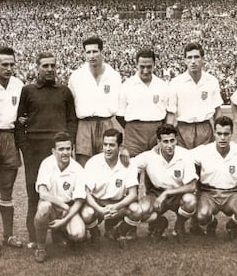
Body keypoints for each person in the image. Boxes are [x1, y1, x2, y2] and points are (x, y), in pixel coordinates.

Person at [15, 52, 78, 249]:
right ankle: (34, 237)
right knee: (35, 193)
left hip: (59, 149)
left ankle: (60, 233)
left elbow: (72, 120)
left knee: (61, 191)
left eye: (52, 65)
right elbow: (19, 121)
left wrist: (70, 143)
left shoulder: (64, 91)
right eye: (45, 66)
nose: (49, 69)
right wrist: (25, 147)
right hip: (34, 150)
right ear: (37, 68)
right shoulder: (28, 91)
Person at [133, 124, 198, 242]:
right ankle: (160, 223)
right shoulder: (149, 156)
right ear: (158, 141)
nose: (169, 145)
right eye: (165, 141)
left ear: (176, 140)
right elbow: (128, 167)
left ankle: (179, 225)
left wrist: (167, 193)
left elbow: (192, 186)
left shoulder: (185, 154)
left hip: (178, 194)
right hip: (157, 194)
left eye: (172, 141)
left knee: (190, 200)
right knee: (141, 210)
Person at [191, 116, 237, 239]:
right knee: (202, 215)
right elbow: (182, 155)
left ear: (231, 134)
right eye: (219, 134)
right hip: (208, 193)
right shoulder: (203, 151)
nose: (222, 138)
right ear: (214, 133)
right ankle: (212, 222)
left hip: (232, 193)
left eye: (226, 134)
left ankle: (232, 224)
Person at [0, 47, 23, 251]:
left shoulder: (19, 84)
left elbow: (24, 112)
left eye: (12, 64)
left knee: (7, 190)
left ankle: (8, 234)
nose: (9, 68)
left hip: (10, 137)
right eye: (4, 64)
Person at [68, 36, 122, 166]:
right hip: (84, 125)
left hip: (106, 123)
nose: (91, 56)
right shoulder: (76, 76)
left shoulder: (113, 75)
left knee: (106, 164)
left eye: (95, 51)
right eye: (88, 52)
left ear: (102, 52)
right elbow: (70, 106)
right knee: (83, 165)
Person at [33, 132, 86, 263]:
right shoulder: (46, 164)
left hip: (68, 207)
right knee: (44, 207)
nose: (65, 152)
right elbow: (43, 193)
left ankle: (63, 233)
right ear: (53, 151)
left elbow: (79, 201)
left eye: (68, 149)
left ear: (72, 149)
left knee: (78, 234)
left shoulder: (78, 169)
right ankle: (41, 248)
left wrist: (64, 219)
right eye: (61, 149)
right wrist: (64, 206)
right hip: (52, 206)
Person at [81, 129, 141, 242]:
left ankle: (117, 231)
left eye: (112, 145)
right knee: (86, 214)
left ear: (120, 147)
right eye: (105, 145)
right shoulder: (93, 162)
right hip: (98, 203)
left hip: (118, 205)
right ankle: (95, 232)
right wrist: (100, 209)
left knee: (137, 210)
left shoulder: (128, 163)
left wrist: (116, 207)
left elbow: (133, 194)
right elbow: (86, 193)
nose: (107, 149)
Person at [167, 42, 223, 149]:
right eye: (189, 57)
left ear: (203, 59)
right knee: (183, 163)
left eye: (196, 57)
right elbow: (171, 113)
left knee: (206, 163)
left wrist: (220, 133)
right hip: (183, 129)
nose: (193, 61)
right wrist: (167, 135)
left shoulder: (212, 81)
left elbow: (217, 111)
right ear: (185, 60)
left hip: (205, 128)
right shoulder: (175, 82)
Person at [116, 49, 169, 157]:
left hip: (156, 131)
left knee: (157, 166)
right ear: (136, 65)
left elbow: (168, 114)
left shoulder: (162, 85)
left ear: (154, 65)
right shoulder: (126, 86)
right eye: (142, 67)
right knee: (133, 167)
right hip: (134, 134)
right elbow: (120, 115)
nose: (145, 70)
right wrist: (135, 127)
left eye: (149, 67)